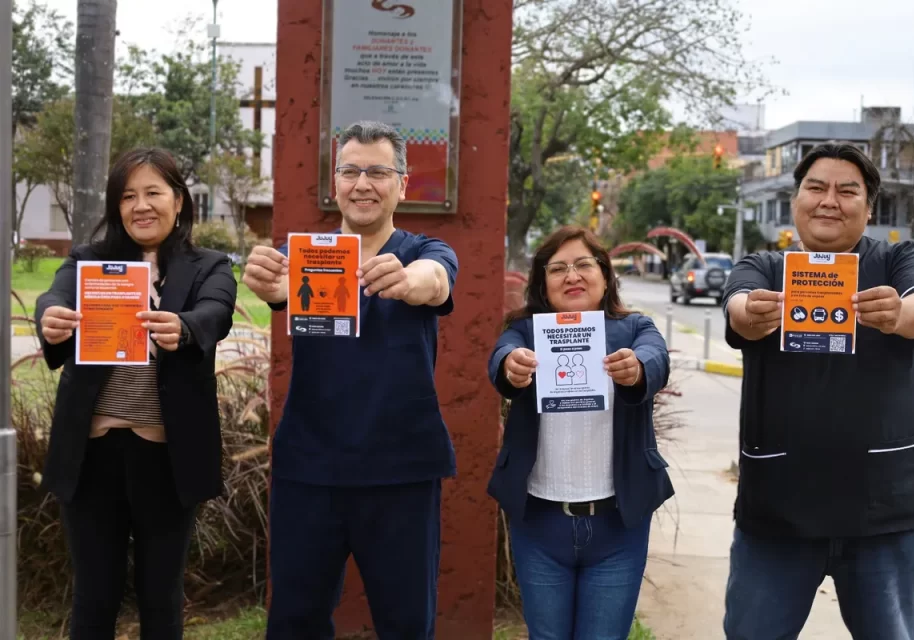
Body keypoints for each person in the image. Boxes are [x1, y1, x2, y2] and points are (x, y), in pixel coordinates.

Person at [721, 143, 914, 639]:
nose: (830, 201)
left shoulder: (900, 261)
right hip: (776, 517)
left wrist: (899, 316)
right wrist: (753, 314)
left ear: (868, 208)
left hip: (884, 516)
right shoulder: (763, 269)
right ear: (795, 199)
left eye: (848, 191)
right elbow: (738, 306)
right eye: (816, 188)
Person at [242, 121, 458, 639]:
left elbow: (438, 283)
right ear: (334, 183)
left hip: (402, 471)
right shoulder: (307, 259)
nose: (363, 183)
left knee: (406, 624)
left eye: (379, 172)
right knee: (294, 621)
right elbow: (278, 294)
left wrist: (408, 281)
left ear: (402, 184)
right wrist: (267, 282)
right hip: (309, 470)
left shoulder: (425, 252)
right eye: (350, 171)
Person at [35, 148, 238, 640]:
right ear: (116, 206)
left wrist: (185, 327)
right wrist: (52, 318)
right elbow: (55, 296)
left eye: (153, 192)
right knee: (93, 596)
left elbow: (217, 311)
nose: (141, 205)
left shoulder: (209, 265)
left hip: (167, 460)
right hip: (92, 456)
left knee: (161, 596)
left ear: (179, 200)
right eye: (128, 196)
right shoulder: (89, 260)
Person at [486, 225, 673, 639]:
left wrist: (637, 368)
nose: (572, 275)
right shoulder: (525, 332)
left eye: (584, 265)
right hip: (540, 525)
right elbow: (501, 358)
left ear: (605, 276)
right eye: (558, 268)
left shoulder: (636, 328)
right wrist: (511, 365)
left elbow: (656, 358)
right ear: (543, 284)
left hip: (617, 526)